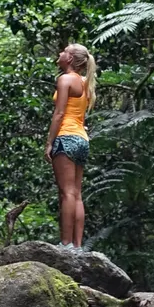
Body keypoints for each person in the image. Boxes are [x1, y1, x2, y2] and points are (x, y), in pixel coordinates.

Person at [45, 43, 96, 250]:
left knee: (66, 193)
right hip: (82, 139)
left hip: (65, 138)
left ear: (70, 59)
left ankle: (65, 245)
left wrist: (49, 143)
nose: (60, 53)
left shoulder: (64, 79)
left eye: (64, 51)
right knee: (76, 193)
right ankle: (77, 246)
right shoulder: (85, 82)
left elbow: (59, 114)